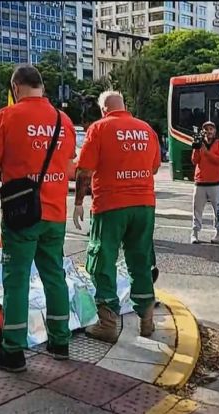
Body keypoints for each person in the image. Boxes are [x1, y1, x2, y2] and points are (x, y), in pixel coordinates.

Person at [0, 65, 76, 368]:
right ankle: (60, 342)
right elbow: (67, 162)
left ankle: (13, 349)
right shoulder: (64, 120)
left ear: (15, 87)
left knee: (17, 279)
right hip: (55, 212)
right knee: (54, 276)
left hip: (21, 213)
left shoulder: (7, 116)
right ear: (43, 87)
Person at [73, 90, 161, 342]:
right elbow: (154, 167)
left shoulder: (99, 129)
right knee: (141, 260)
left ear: (103, 110)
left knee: (102, 260)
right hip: (144, 205)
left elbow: (84, 171)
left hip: (110, 205)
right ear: (124, 105)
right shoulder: (146, 129)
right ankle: (146, 320)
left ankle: (107, 322)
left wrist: (79, 202)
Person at [191, 121, 219, 244]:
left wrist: (206, 152)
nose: (208, 131)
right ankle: (194, 232)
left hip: (215, 182)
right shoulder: (200, 143)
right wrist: (196, 148)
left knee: (218, 209)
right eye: (206, 129)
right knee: (197, 209)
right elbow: (194, 161)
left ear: (215, 131)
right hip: (200, 181)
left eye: (211, 129)